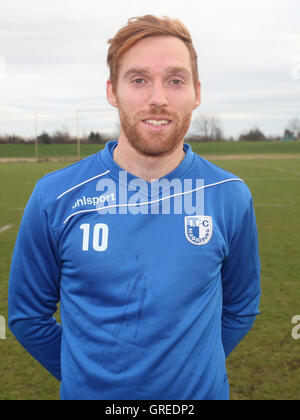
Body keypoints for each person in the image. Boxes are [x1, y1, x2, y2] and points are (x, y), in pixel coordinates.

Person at [8, 15, 261, 400]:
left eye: (175, 80)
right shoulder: (54, 196)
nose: (157, 97)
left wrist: (196, 366)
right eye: (139, 79)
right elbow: (28, 317)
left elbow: (241, 306)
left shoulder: (230, 195)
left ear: (196, 92)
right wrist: (91, 379)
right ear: (113, 91)